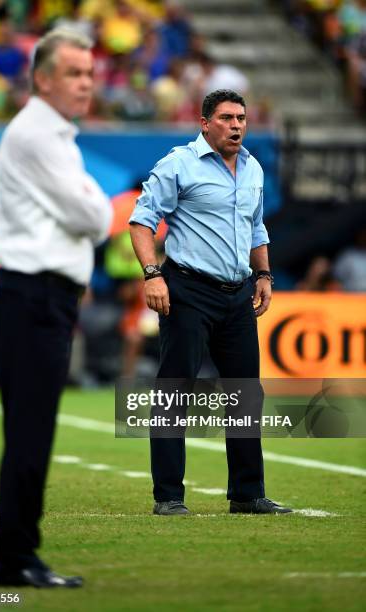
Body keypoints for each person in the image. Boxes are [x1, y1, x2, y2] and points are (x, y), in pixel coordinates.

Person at [129, 89, 292, 516]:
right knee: (173, 393)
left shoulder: (253, 168)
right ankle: (168, 496)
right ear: (205, 123)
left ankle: (247, 494)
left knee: (244, 396)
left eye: (241, 117)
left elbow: (256, 228)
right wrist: (152, 276)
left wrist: (264, 275)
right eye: (226, 117)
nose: (236, 124)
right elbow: (141, 221)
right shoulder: (178, 164)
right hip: (188, 291)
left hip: (238, 295)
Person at [0, 29, 112, 587]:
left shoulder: (53, 134)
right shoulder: (41, 136)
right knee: (31, 433)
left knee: (29, 431)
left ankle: (14, 556)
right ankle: (16, 559)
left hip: (37, 296)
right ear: (42, 78)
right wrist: (101, 206)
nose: (85, 83)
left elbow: (88, 209)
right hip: (36, 295)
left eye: (89, 73)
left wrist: (94, 204)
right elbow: (93, 218)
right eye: (73, 73)